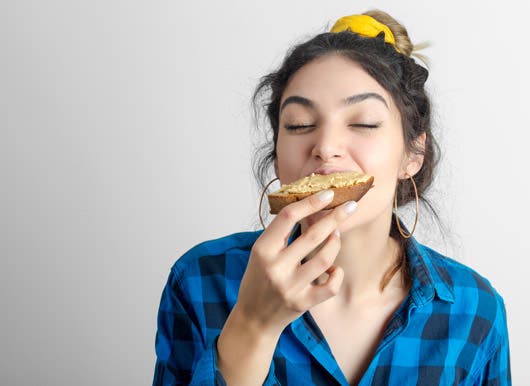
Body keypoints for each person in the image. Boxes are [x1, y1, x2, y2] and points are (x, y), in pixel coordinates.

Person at [153, 10, 510, 386]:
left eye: (364, 123)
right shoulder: (200, 280)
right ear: (277, 154)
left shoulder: (475, 309)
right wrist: (253, 326)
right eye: (299, 125)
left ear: (413, 155)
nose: (325, 147)